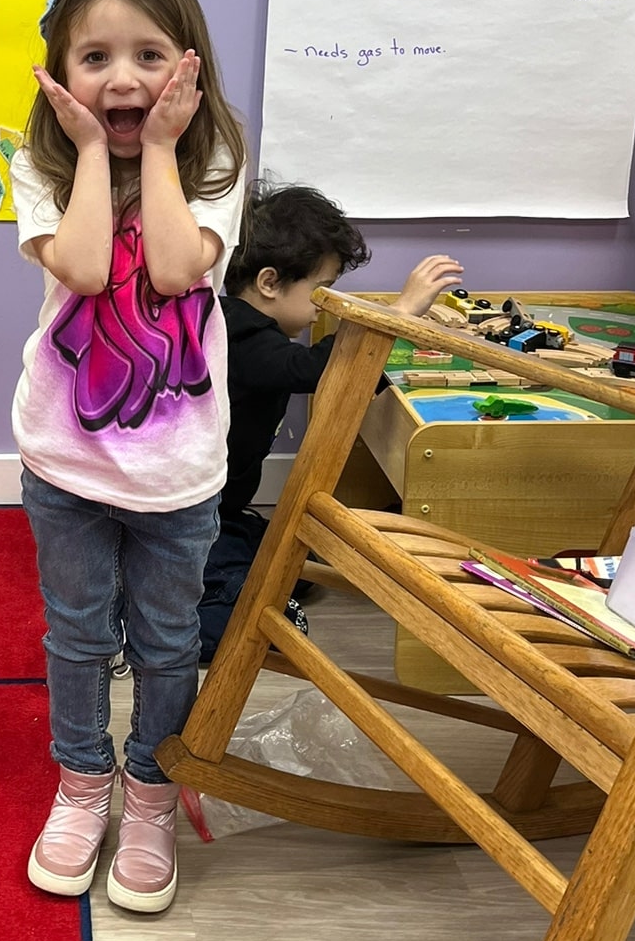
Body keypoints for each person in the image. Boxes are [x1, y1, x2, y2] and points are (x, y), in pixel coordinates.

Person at [12, 0, 247, 912]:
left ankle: (148, 793)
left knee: (164, 640)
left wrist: (156, 150)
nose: (121, 79)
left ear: (188, 68)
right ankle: (81, 784)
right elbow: (84, 266)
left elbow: (182, 268)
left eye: (148, 55)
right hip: (65, 461)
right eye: (96, 56)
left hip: (178, 473)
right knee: (74, 638)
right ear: (61, 72)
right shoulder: (38, 166)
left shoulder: (218, 167)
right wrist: (94, 157)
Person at [197, 181, 463, 658]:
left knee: (292, 558)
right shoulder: (238, 335)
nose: (327, 304)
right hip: (198, 519)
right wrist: (398, 314)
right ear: (269, 282)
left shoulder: (250, 327)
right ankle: (170, 618)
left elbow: (328, 366)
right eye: (323, 291)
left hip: (223, 511)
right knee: (247, 607)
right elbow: (318, 369)